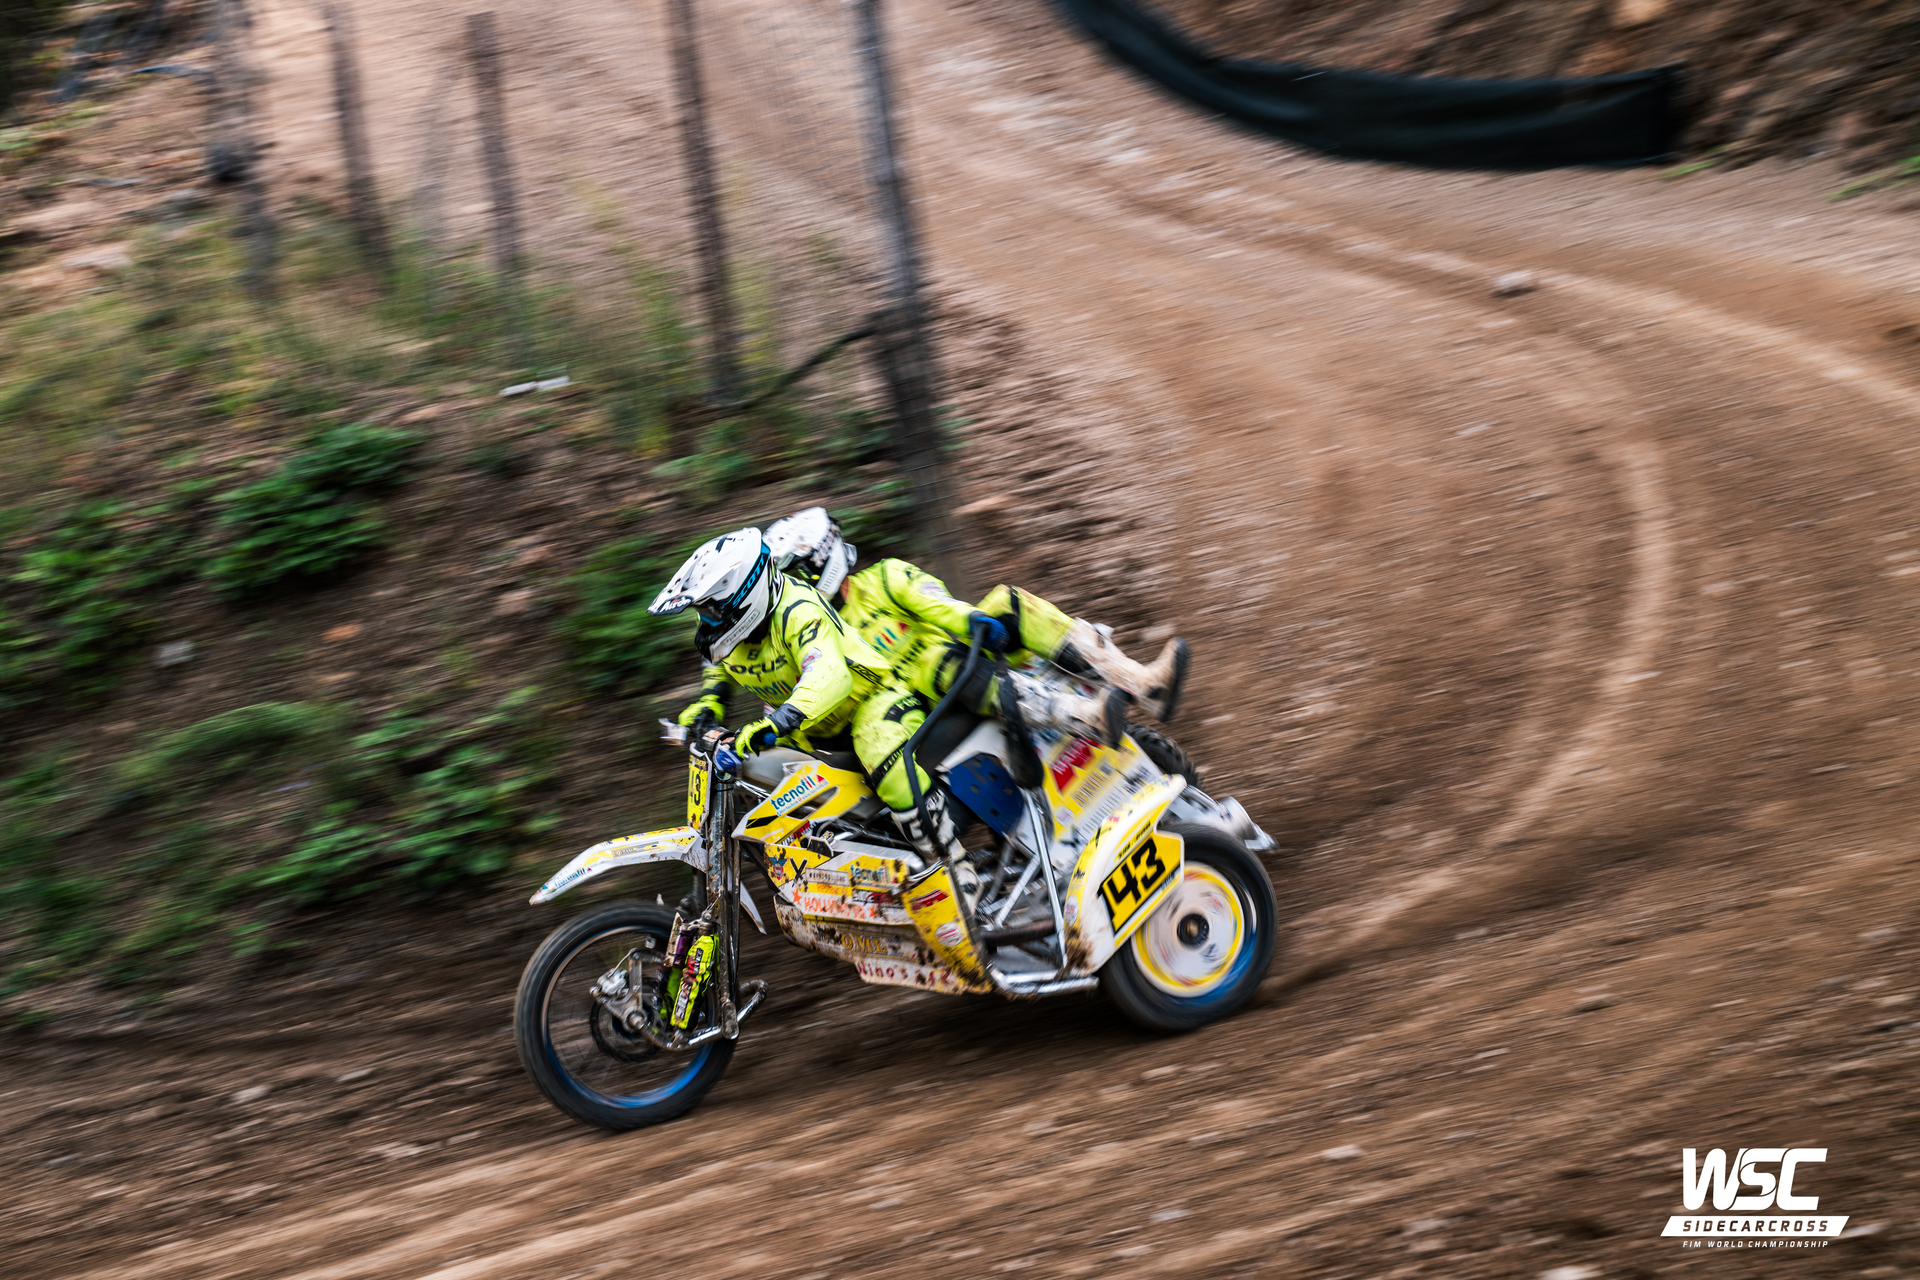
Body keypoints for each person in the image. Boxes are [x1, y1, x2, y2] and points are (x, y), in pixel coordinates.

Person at [650, 527, 963, 860]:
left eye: (711, 612)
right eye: (703, 614)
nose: (706, 623)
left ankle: (952, 864)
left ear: (745, 597)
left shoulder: (798, 609)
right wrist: (711, 702)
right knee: (763, 783)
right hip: (807, 727)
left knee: (882, 756)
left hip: (870, 703)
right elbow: (720, 664)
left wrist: (778, 721)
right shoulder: (731, 633)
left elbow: (828, 672)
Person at [764, 506, 1190, 731]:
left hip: (961, 664)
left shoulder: (885, 577)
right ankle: (1082, 716)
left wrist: (975, 621)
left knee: (1007, 601)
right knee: (937, 663)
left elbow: (938, 604)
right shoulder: (809, 634)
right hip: (913, 713)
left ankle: (1143, 685)